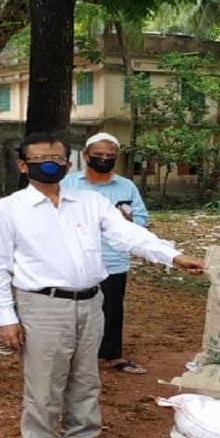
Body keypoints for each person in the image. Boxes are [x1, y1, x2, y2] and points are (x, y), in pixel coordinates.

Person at [0, 132, 206, 438]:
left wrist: (172, 257)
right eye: (41, 159)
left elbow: (129, 235)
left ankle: (81, 436)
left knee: (86, 376)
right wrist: (5, 317)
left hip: (90, 300)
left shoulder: (90, 203)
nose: (50, 164)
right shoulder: (6, 210)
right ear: (23, 165)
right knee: (45, 379)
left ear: (68, 164)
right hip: (43, 305)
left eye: (57, 159)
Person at [60, 132, 150, 375]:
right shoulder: (68, 184)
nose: (103, 159)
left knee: (111, 308)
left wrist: (129, 219)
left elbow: (142, 219)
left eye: (109, 156)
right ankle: (70, 356)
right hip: (74, 260)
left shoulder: (126, 186)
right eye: (98, 155)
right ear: (85, 155)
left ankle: (112, 355)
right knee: (71, 308)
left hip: (112, 260)